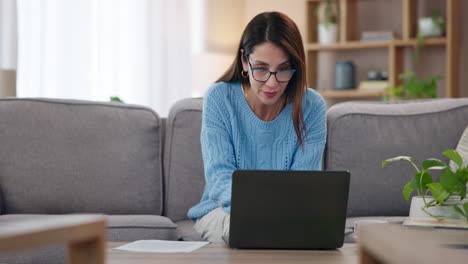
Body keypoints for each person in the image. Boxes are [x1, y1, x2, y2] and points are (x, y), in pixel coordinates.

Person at [187, 11, 327, 242]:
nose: (272, 83)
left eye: (283, 69)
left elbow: (305, 183)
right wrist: (264, 214)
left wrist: (279, 216)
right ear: (244, 60)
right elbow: (219, 177)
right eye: (261, 68)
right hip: (221, 212)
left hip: (287, 218)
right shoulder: (220, 98)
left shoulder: (312, 106)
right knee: (246, 229)